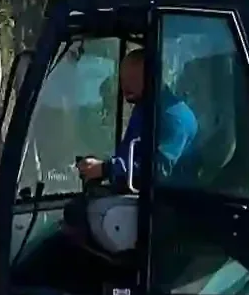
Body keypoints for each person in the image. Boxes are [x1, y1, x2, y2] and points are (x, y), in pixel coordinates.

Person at [76, 48, 198, 191]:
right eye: (122, 79)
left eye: (133, 79)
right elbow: (130, 154)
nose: (125, 86)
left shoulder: (174, 118)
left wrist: (106, 169)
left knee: (103, 211)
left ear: (152, 77)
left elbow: (157, 169)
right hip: (138, 192)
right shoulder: (144, 107)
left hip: (169, 201)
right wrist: (100, 167)